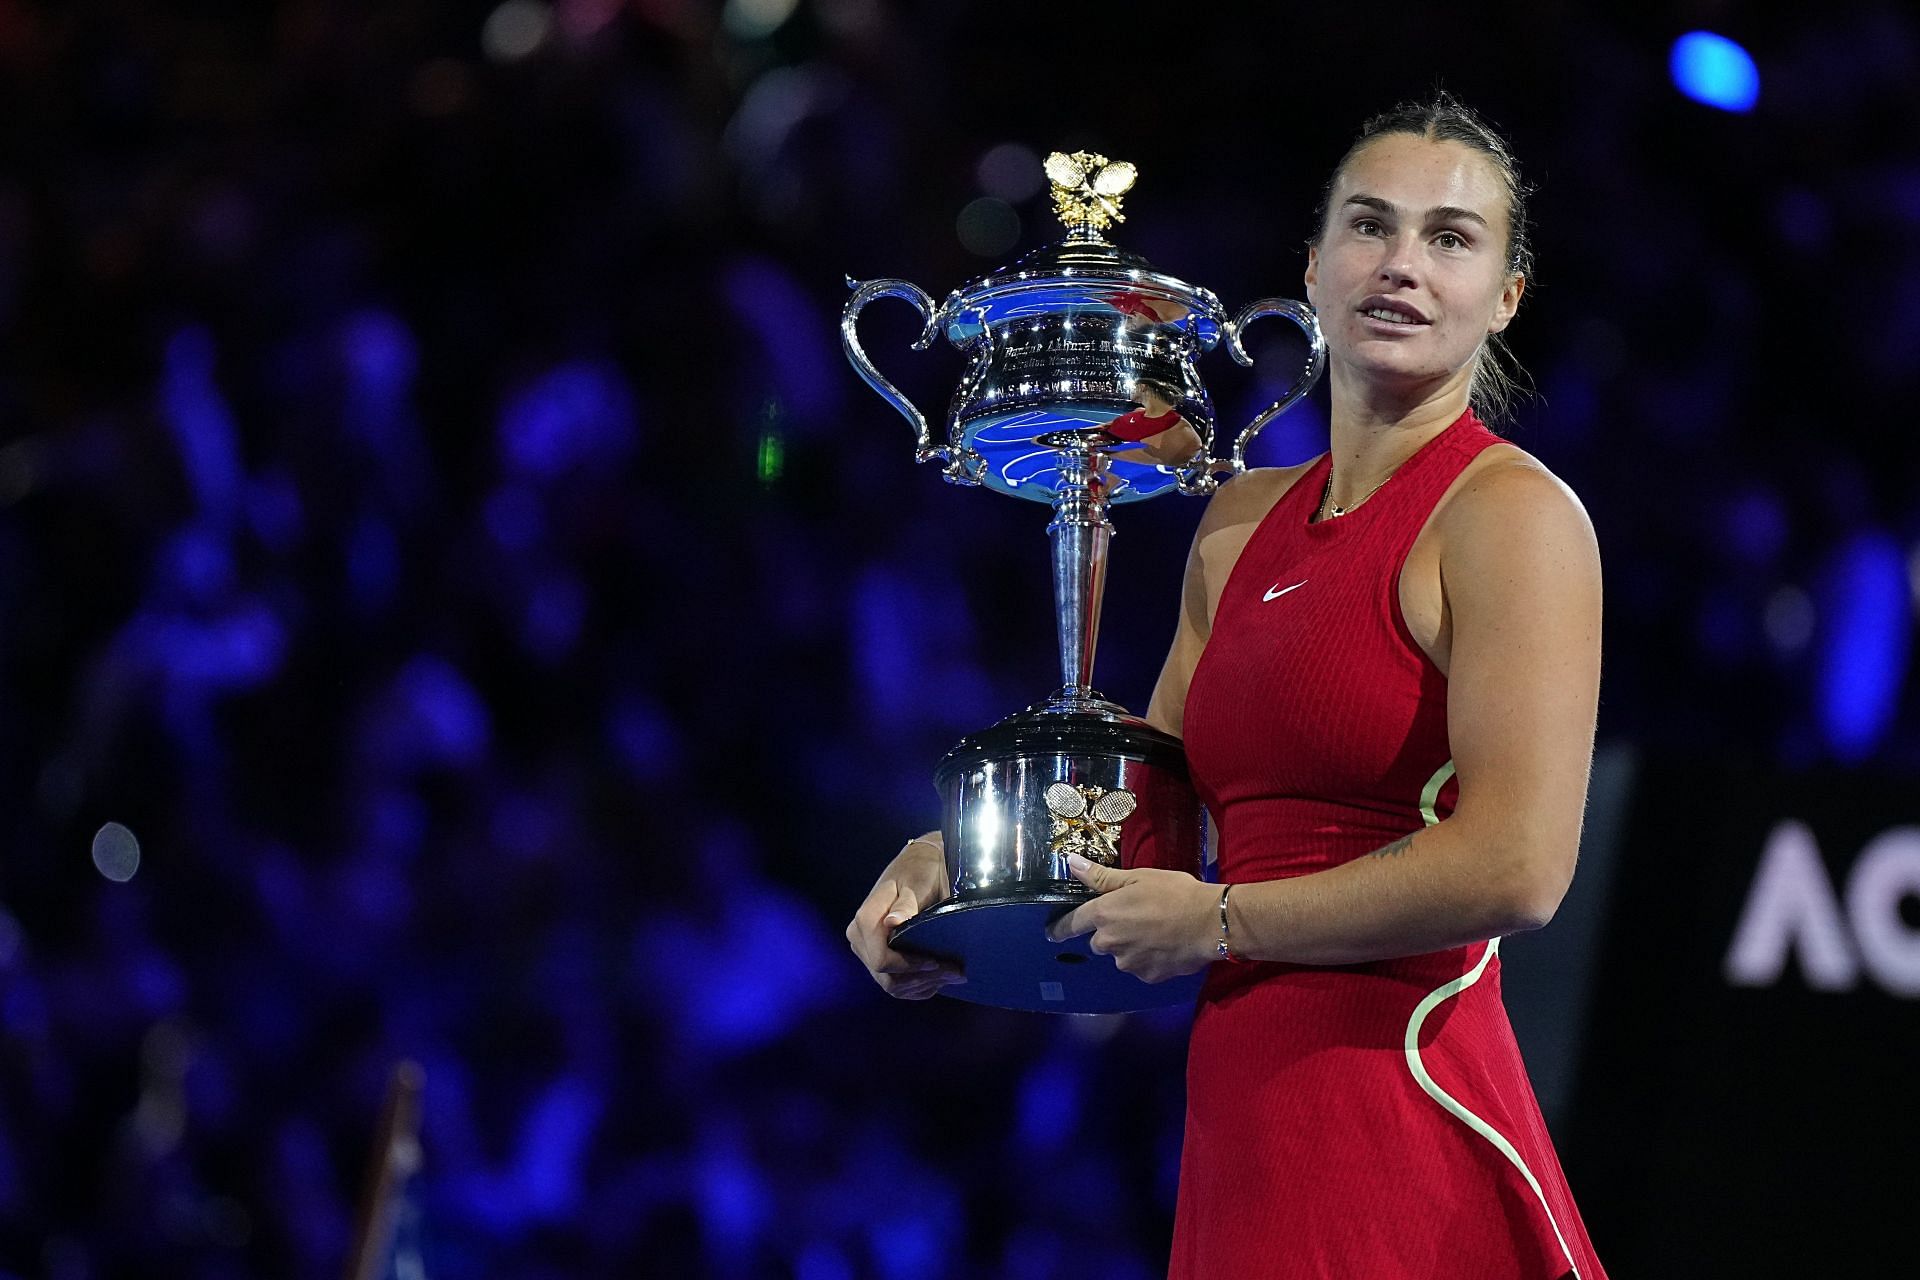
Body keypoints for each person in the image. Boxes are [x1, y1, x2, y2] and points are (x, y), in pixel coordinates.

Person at [846, 92, 1607, 1280]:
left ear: (1506, 295)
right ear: (1311, 267)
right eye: (1371, 226)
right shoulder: (1236, 519)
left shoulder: (1511, 516)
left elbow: (1519, 865)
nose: (1402, 265)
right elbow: (1141, 809)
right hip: (1243, 1120)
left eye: (1451, 239)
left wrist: (1222, 917)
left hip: (1402, 1112)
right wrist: (961, 856)